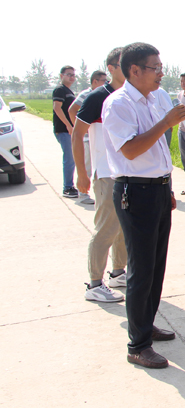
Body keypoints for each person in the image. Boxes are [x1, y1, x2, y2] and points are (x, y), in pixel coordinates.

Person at [102, 42, 185, 369]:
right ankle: (137, 346)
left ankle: (145, 324)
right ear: (134, 70)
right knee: (140, 269)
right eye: (155, 67)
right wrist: (166, 123)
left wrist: (167, 187)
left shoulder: (150, 100)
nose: (161, 73)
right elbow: (131, 150)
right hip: (135, 192)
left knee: (155, 265)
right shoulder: (118, 104)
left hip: (157, 189)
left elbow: (157, 153)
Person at [72, 48, 128, 303]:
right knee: (106, 228)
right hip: (105, 172)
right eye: (122, 64)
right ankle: (94, 284)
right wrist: (82, 173)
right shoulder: (98, 97)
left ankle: (118, 273)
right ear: (111, 68)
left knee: (122, 227)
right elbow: (77, 133)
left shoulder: (130, 95)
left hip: (126, 172)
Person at [69, 70, 108, 205]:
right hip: (87, 138)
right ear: (95, 81)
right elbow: (72, 110)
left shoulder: (104, 94)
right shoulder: (88, 95)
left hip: (97, 137)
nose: (106, 83)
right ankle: (83, 193)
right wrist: (80, 128)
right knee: (87, 166)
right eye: (104, 81)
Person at [53, 65, 78, 198]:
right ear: (61, 76)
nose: (71, 77)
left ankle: (70, 185)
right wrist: (68, 125)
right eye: (69, 75)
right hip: (63, 130)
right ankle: (67, 187)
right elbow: (57, 108)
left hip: (69, 129)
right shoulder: (60, 90)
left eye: (73, 75)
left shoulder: (68, 91)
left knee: (72, 158)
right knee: (69, 158)